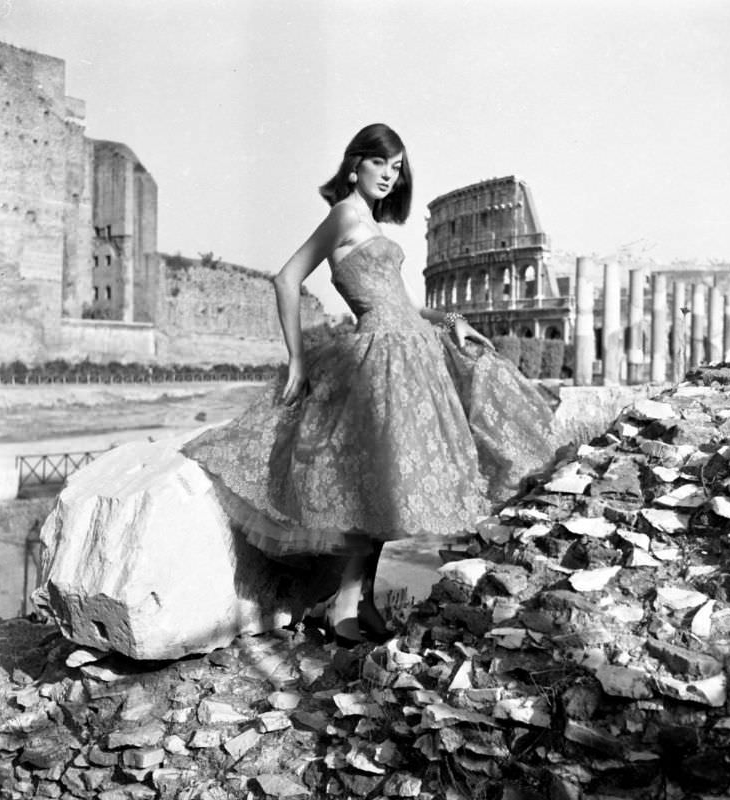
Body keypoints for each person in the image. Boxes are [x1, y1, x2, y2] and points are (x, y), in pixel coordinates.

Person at [182, 123, 557, 646]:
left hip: (411, 353)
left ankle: (362, 601)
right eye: (381, 162)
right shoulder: (343, 216)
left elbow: (403, 304)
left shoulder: (374, 227)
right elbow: (287, 278)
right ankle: (343, 607)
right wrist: (295, 359)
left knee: (393, 485)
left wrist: (451, 322)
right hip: (376, 360)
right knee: (376, 485)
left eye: (397, 167)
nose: (389, 174)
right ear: (355, 163)